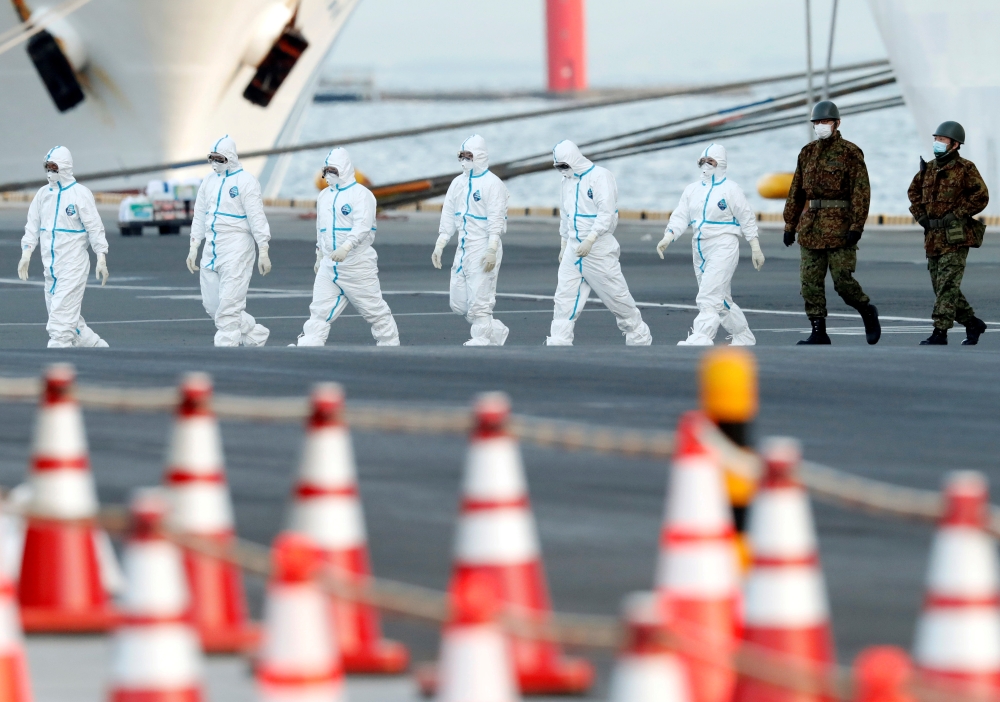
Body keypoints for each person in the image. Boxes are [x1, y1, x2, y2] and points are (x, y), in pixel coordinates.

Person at [783, 100, 881, 345]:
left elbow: (861, 192)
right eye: (817, 122)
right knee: (809, 283)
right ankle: (818, 330)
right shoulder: (807, 153)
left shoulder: (850, 152)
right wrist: (789, 225)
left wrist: (857, 226)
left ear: (837, 123)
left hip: (840, 227)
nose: (821, 126)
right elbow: (796, 192)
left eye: (825, 121)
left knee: (843, 282)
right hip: (811, 227)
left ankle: (867, 310)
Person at [545, 140, 652, 346]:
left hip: (598, 247)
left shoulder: (600, 177)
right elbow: (565, 214)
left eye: (564, 166)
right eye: (558, 167)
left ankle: (638, 334)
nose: (562, 171)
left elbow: (607, 212)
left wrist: (591, 238)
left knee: (615, 295)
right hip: (574, 247)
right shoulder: (566, 182)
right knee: (564, 295)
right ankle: (560, 338)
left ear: (574, 159)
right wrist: (564, 242)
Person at [657, 143, 765, 346]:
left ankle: (702, 335)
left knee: (709, 294)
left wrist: (755, 247)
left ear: (721, 164)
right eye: (702, 162)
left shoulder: (731, 189)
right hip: (699, 245)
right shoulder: (692, 190)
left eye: (711, 161)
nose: (706, 166)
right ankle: (743, 335)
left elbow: (746, 217)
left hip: (724, 244)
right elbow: (681, 215)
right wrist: (669, 236)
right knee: (721, 299)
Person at [292, 147, 399, 346]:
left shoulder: (361, 194)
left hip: (356, 264)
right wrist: (319, 254)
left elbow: (363, 225)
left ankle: (389, 342)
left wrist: (347, 247)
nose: (328, 176)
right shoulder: (324, 196)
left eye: (333, 171)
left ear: (344, 170)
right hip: (329, 264)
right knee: (319, 308)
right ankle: (311, 340)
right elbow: (321, 228)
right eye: (326, 171)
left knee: (373, 309)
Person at [18, 146, 110, 348]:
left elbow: (95, 228)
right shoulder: (43, 195)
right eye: (47, 167)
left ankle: (58, 360)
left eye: (54, 167)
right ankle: (98, 349)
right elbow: (32, 225)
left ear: (65, 167)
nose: (50, 172)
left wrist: (101, 257)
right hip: (50, 269)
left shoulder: (80, 194)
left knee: (59, 326)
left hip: (73, 266)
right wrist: (26, 252)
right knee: (70, 321)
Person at [907, 121, 989, 345]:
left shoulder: (965, 169)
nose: (937, 143)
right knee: (941, 286)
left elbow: (981, 196)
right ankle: (973, 323)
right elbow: (913, 192)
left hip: (955, 237)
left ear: (954, 144)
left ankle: (940, 332)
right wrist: (921, 216)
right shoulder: (929, 168)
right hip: (933, 238)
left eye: (942, 140)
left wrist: (958, 213)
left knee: (947, 286)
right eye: (936, 139)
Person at [186, 135, 272, 347]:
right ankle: (255, 335)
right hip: (212, 247)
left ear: (230, 158)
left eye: (219, 158)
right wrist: (194, 245)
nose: (215, 163)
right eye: (211, 158)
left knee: (229, 306)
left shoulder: (246, 181)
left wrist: (263, 249)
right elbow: (199, 214)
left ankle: (226, 348)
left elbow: (257, 218)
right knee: (212, 305)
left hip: (237, 246)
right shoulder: (208, 181)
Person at [431, 135, 510, 346]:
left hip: (483, 245)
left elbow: (496, 219)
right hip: (464, 247)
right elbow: (448, 214)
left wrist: (492, 248)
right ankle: (496, 331)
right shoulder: (458, 183)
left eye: (469, 156)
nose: (464, 160)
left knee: (480, 297)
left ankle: (481, 337)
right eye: (461, 156)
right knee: (458, 303)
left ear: (480, 156)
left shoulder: (493, 184)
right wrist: (441, 243)